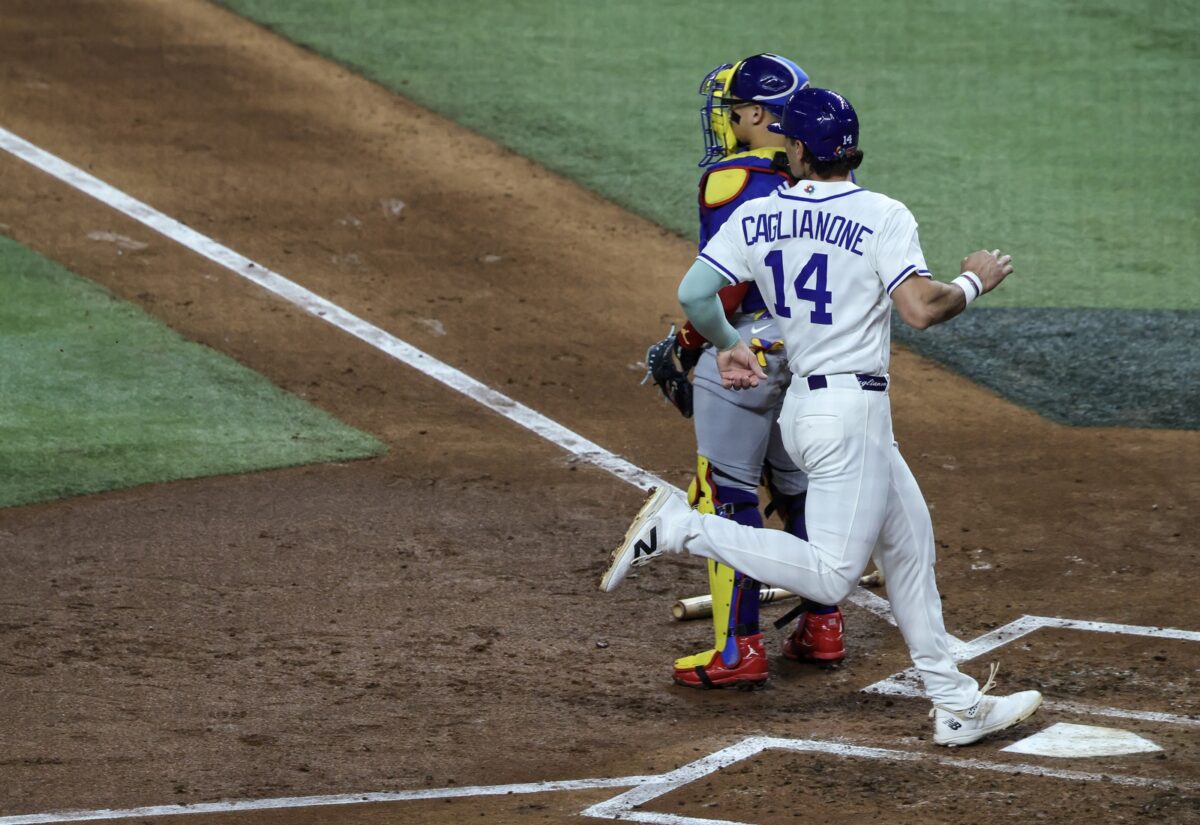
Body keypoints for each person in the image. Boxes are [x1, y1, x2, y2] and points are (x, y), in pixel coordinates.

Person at [604, 88, 1042, 746]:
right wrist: (974, 279)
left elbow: (695, 293)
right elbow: (922, 308)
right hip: (851, 413)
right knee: (833, 571)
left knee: (908, 543)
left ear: (797, 149)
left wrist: (727, 345)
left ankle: (955, 703)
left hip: (809, 406)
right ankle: (680, 528)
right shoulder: (881, 213)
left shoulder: (759, 215)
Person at [643, 54, 846, 691]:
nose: (728, 120)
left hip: (748, 348)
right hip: (811, 347)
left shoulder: (730, 180)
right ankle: (823, 626)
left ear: (758, 114)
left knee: (726, 496)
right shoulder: (819, 175)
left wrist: (693, 339)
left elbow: (721, 293)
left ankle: (738, 650)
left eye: (734, 110)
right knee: (793, 486)